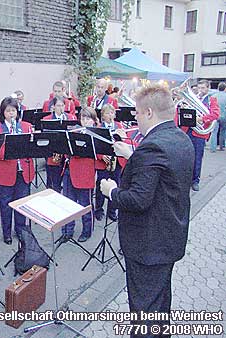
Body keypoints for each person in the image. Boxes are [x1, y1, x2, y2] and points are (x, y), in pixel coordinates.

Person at [100, 84, 194, 337]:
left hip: (148, 244)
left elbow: (138, 200)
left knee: (143, 312)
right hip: (170, 237)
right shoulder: (180, 138)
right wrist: (132, 154)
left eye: (137, 114)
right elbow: (163, 174)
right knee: (160, 305)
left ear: (149, 112)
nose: (136, 119)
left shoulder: (151, 147)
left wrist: (111, 191)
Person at [0, 96, 35, 245]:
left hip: (24, 170)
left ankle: (21, 230)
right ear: (3, 113)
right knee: (5, 204)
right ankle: (6, 232)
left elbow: (32, 146)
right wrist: (11, 152)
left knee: (21, 203)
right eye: (8, 111)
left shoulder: (26, 126)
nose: (11, 114)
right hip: (5, 171)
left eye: (13, 110)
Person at [59, 107, 98, 243]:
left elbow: (99, 154)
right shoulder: (73, 131)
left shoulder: (96, 134)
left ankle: (87, 231)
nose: (85, 121)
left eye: (88, 118)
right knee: (67, 203)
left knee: (85, 205)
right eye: (83, 118)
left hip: (85, 173)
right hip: (70, 170)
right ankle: (67, 231)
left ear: (93, 120)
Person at [178, 79, 219, 191]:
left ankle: (195, 180)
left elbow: (215, 114)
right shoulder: (194, 98)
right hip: (188, 130)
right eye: (199, 88)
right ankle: (185, 179)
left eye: (203, 88)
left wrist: (202, 118)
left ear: (208, 88)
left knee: (197, 157)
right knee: (185, 156)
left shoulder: (211, 99)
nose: (200, 91)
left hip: (199, 133)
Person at [94, 104, 123, 222]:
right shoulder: (99, 128)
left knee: (115, 186)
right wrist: (102, 156)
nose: (110, 115)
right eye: (107, 113)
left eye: (112, 113)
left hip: (116, 163)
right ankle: (99, 209)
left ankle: (112, 211)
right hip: (103, 163)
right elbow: (95, 146)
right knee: (100, 187)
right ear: (103, 116)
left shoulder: (119, 126)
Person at [42, 96, 76, 192]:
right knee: (53, 184)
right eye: (58, 105)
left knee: (68, 185)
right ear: (53, 107)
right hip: (53, 155)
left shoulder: (71, 118)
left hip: (67, 155)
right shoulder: (47, 119)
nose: (60, 108)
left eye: (62, 105)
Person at [211, 82, 226, 152]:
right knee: (223, 131)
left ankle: (213, 148)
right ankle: (221, 146)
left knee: (214, 132)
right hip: (224, 116)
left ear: (218, 88)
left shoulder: (213, 96)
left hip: (215, 115)